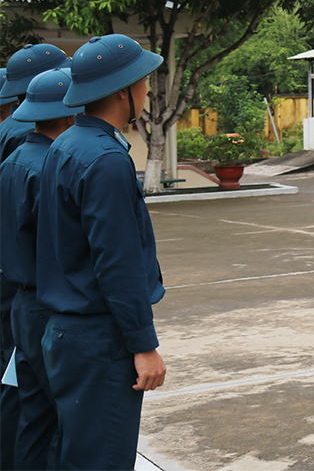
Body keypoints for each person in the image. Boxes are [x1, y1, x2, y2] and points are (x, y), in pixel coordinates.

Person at [36, 34, 166, 470]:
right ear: (121, 91)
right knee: (102, 460)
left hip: (66, 333)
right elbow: (117, 262)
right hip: (99, 340)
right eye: (143, 83)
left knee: (76, 453)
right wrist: (143, 344)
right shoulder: (106, 159)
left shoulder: (66, 145)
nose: (147, 93)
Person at [0, 68, 83, 469]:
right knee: (63, 421)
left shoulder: (16, 159)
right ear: (70, 115)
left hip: (21, 303)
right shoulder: (49, 165)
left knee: (34, 417)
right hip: (46, 307)